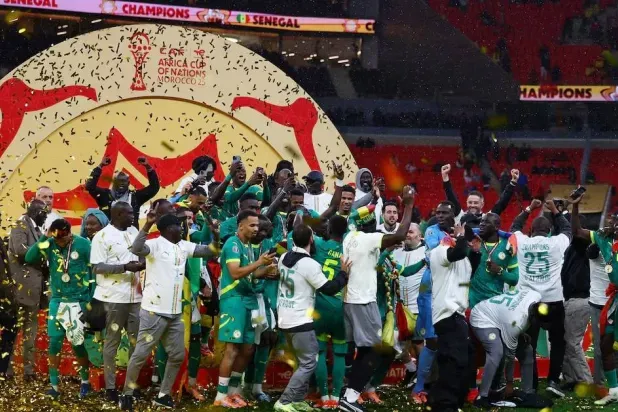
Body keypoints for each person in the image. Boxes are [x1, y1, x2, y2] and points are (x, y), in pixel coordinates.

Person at [119, 210, 220, 411]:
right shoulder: (155, 245)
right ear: (167, 228)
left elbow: (211, 250)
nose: (183, 228)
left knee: (177, 355)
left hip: (175, 314)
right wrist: (147, 225)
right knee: (140, 355)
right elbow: (137, 248)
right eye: (178, 225)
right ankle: (126, 394)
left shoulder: (184, 246)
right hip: (153, 312)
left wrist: (215, 235)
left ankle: (163, 395)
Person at [338, 185, 415, 412]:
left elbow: (353, 213)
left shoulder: (349, 234)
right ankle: (350, 397)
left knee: (364, 350)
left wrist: (371, 200)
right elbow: (400, 234)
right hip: (363, 301)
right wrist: (409, 205)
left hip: (351, 300)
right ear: (373, 227)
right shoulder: (369, 239)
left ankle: (349, 396)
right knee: (373, 350)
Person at [274, 224, 350, 412]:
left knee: (302, 362)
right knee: (309, 362)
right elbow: (329, 289)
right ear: (311, 239)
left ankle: (298, 399)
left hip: (284, 317)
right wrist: (343, 273)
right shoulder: (310, 264)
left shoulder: (283, 258)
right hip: (300, 320)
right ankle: (284, 401)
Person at [213, 210, 276, 409]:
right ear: (241, 226)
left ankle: (233, 391)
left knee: (249, 348)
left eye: (258, 225)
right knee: (232, 349)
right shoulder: (232, 243)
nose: (256, 229)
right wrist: (259, 263)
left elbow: (251, 274)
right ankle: (220, 395)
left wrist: (265, 271)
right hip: (234, 301)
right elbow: (235, 272)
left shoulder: (248, 246)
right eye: (252, 225)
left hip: (250, 301)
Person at [25, 219, 93, 399]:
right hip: (57, 301)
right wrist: (44, 237)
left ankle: (85, 382)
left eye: (63, 239)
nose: (60, 242)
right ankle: (54, 386)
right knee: (54, 342)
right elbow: (30, 258)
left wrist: (91, 301)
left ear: (70, 233)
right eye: (57, 239)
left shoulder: (83, 244)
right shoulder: (50, 243)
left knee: (77, 344)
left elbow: (93, 271)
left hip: (78, 300)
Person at [510, 198, 571, 398]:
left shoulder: (523, 242)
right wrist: (555, 211)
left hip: (529, 302)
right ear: (549, 230)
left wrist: (529, 209)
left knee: (530, 343)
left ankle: (533, 383)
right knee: (558, 341)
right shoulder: (556, 243)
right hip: (553, 299)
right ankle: (553, 381)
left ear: (530, 230)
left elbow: (514, 227)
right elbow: (567, 230)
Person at [90, 202, 144, 403]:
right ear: (119, 214)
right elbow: (97, 267)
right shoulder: (102, 236)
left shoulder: (134, 231)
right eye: (129, 213)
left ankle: (131, 386)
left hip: (135, 297)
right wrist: (124, 267)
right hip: (113, 298)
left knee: (136, 343)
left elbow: (141, 255)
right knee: (112, 342)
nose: (133, 216)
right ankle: (110, 387)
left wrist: (141, 264)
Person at [571, 193, 618, 405]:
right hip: (607, 302)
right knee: (604, 347)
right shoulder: (603, 239)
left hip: (610, 300)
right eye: (614, 221)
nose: (614, 224)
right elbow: (577, 231)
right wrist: (575, 207)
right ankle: (610, 389)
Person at [470, 289, 546, 408]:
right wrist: (510, 383)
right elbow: (509, 357)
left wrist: (520, 332)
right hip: (482, 316)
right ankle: (482, 396)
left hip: (502, 317)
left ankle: (528, 393)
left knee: (527, 350)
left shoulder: (535, 295)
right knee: (497, 352)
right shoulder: (516, 322)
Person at [412, 201, 456, 404]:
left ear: (452, 215)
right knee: (432, 340)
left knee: (447, 339)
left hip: (449, 290)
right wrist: (458, 239)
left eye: (444, 213)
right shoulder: (431, 231)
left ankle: (440, 383)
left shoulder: (459, 229)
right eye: (437, 212)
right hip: (430, 289)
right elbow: (440, 253)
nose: (439, 216)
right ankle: (419, 388)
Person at [427, 222, 473, 412]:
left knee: (462, 360)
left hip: (457, 315)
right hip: (447, 314)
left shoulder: (462, 258)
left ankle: (450, 401)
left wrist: (475, 250)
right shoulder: (439, 251)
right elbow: (458, 252)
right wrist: (462, 237)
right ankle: (445, 404)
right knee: (453, 362)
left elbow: (467, 264)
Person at [7, 199, 48, 381]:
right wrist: (43, 253)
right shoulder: (20, 224)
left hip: (34, 289)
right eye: (44, 214)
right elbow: (20, 251)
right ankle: (7, 370)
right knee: (14, 331)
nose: (46, 217)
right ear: (37, 212)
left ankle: (28, 371)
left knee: (30, 332)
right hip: (20, 288)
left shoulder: (37, 230)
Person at [312, 215, 349, 408]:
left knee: (319, 352)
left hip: (320, 306)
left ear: (329, 230)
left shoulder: (318, 245)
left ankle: (324, 396)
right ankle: (336, 397)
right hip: (341, 307)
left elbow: (298, 228)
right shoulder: (349, 250)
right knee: (339, 353)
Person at [560, 212, 594, 391]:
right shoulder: (572, 247)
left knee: (572, 342)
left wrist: (573, 207)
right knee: (566, 341)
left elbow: (575, 231)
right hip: (571, 298)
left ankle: (586, 381)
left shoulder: (582, 244)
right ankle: (571, 379)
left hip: (579, 299)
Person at [392, 223, 426, 388]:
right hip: (399, 307)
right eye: (406, 231)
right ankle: (411, 369)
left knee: (418, 342)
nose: (407, 234)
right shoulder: (395, 252)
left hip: (418, 306)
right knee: (393, 341)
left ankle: (421, 378)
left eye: (411, 232)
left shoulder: (426, 252)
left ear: (420, 236)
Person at [85, 156, 160, 228]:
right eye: (118, 181)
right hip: (108, 235)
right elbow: (89, 186)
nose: (121, 183)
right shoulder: (104, 195)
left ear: (128, 183)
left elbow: (154, 188)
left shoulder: (135, 197)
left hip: (131, 235)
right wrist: (100, 166)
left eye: (123, 181)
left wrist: (148, 167)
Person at [440, 164, 519, 225]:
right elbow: (451, 196)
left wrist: (513, 182)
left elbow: (501, 203)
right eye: (470, 202)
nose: (472, 205)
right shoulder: (460, 216)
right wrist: (445, 177)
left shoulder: (487, 218)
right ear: (466, 203)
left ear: (482, 204)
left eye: (476, 203)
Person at [0, 211, 18, 379]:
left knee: (11, 327)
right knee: (11, 326)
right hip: (3, 296)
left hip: (5, 296)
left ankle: (2, 368)